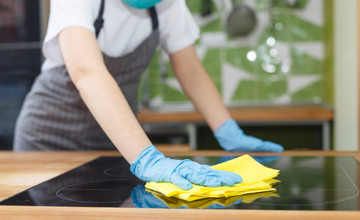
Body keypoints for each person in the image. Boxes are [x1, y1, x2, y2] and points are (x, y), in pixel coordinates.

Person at [14, 0, 283, 190]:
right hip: (49, 140)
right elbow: (86, 72)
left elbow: (189, 68)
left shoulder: (168, 4)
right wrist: (148, 159)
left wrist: (227, 131)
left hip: (116, 145)